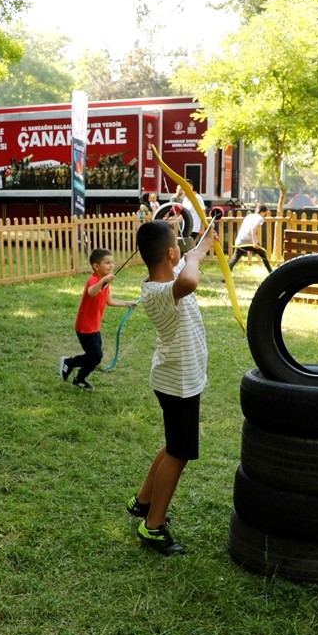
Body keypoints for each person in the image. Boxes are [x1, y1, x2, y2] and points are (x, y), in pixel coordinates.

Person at [125, 217, 217, 556]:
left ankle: (143, 500)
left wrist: (204, 243)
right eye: (179, 246)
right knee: (179, 453)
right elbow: (191, 278)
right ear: (170, 252)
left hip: (176, 378)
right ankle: (152, 526)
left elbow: (192, 263)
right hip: (178, 382)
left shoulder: (169, 276)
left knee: (173, 445)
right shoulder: (160, 292)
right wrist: (193, 257)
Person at [59, 248, 135, 391]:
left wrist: (127, 303)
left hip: (95, 327)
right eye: (107, 263)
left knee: (94, 356)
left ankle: (74, 370)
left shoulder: (105, 282)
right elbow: (92, 292)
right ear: (96, 266)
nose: (111, 266)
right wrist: (103, 281)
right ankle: (72, 368)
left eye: (112, 262)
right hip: (84, 327)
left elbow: (109, 300)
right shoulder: (93, 281)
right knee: (96, 355)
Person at [227, 205, 273, 272]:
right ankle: (271, 272)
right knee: (263, 254)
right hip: (248, 241)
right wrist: (254, 243)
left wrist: (252, 244)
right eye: (265, 213)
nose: (264, 215)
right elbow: (253, 229)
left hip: (240, 240)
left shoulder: (249, 216)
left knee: (235, 258)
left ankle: (226, 276)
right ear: (263, 212)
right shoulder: (259, 218)